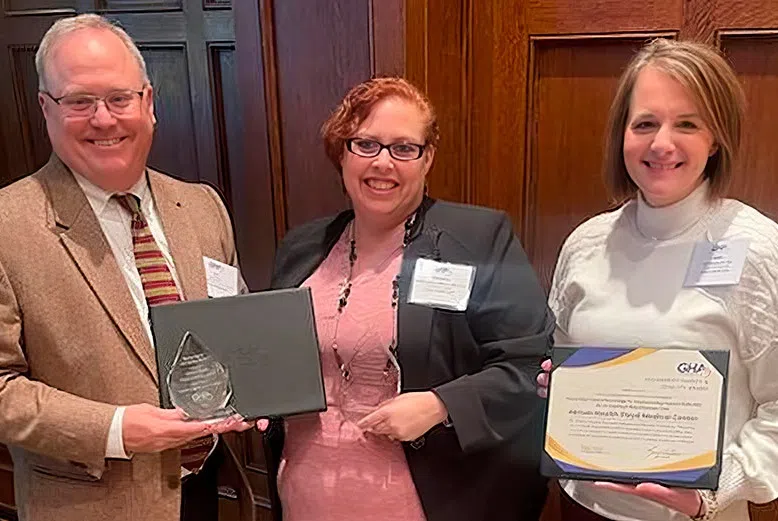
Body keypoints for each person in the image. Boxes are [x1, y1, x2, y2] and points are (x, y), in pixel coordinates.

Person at [264, 77, 554, 521]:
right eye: (366, 144)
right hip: (305, 496)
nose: (383, 163)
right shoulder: (301, 247)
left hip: (420, 504)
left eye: (403, 148)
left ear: (427, 157)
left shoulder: (476, 239)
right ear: (342, 152)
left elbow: (530, 364)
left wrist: (441, 405)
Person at [0, 14, 252, 521]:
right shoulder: (9, 226)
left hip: (207, 489)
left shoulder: (202, 206)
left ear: (148, 103)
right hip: (92, 503)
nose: (104, 119)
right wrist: (114, 430)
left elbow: (236, 325)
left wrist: (258, 384)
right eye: (79, 101)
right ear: (46, 108)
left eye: (119, 98)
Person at [545, 38, 778, 521]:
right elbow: (561, 355)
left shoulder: (759, 250)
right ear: (622, 135)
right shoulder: (586, 243)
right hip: (582, 507)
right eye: (645, 123)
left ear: (716, 139)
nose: (662, 144)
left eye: (687, 124)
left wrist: (712, 494)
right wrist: (558, 388)